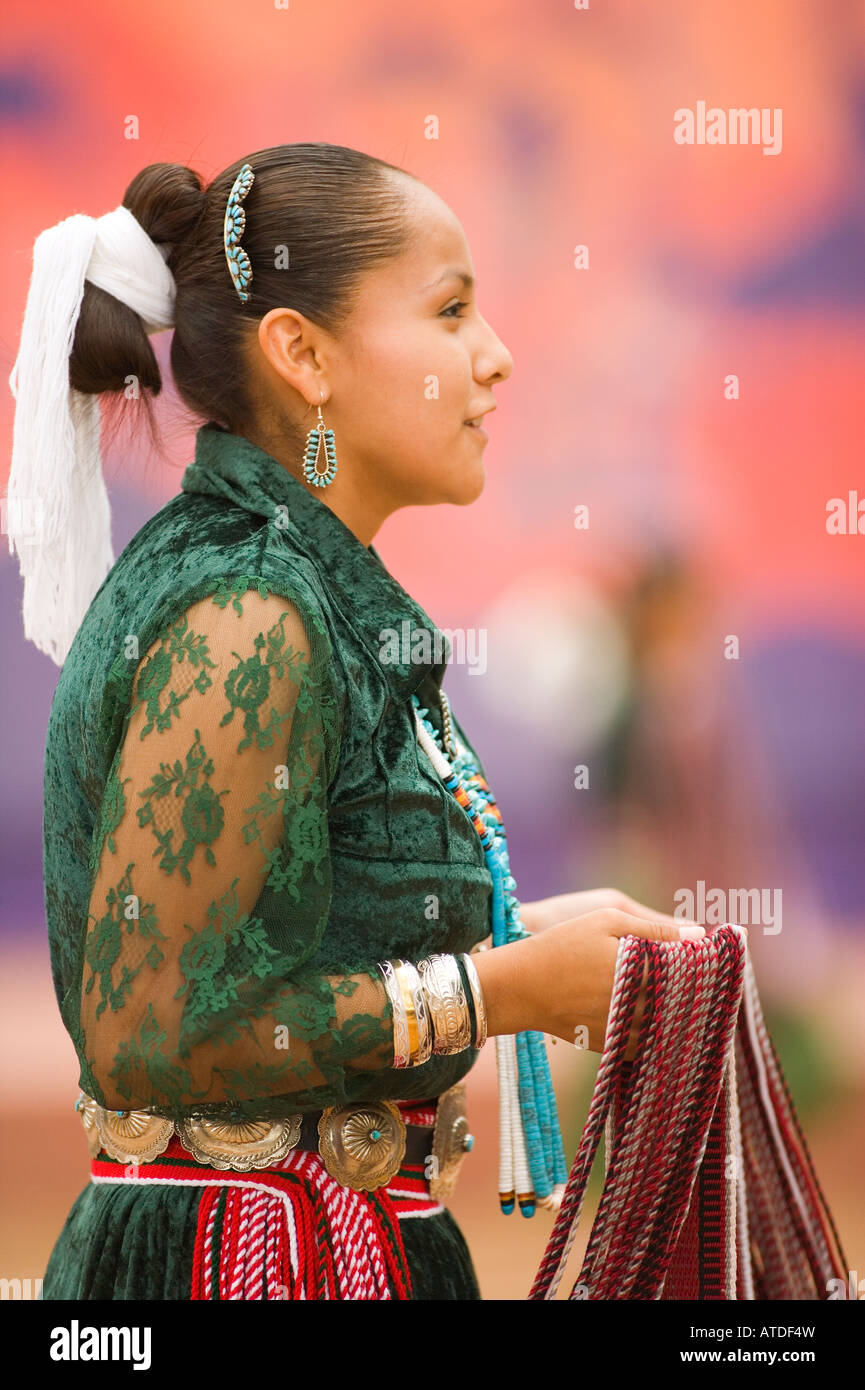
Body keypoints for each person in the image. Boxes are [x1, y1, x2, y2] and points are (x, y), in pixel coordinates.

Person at [9, 142, 704, 1301]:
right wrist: (503, 991)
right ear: (303, 355)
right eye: (450, 310)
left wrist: (518, 939)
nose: (496, 356)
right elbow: (160, 1033)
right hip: (246, 1263)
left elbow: (293, 939)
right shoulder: (248, 616)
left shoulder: (295, 589)